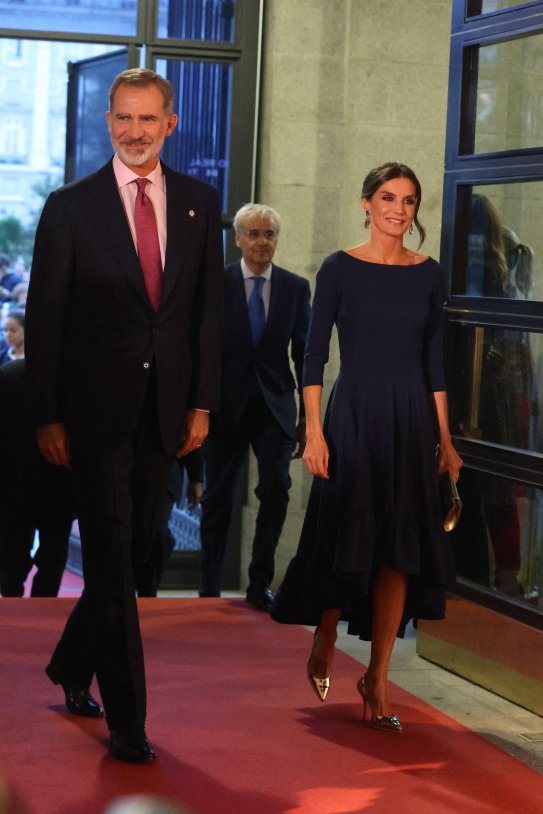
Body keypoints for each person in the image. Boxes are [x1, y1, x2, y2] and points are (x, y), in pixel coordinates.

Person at [25, 68, 223, 763]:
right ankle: (129, 721)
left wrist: (200, 404)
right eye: (122, 118)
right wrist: (47, 415)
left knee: (133, 552)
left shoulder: (200, 203)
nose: (133, 132)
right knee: (113, 564)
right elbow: (43, 320)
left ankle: (70, 666)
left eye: (147, 120)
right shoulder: (70, 207)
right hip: (90, 416)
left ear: (170, 124)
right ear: (107, 122)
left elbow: (204, 316)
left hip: (165, 414)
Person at [270, 162, 463, 733]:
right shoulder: (338, 268)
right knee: (348, 536)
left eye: (408, 200)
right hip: (352, 415)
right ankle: (326, 632)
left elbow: (434, 364)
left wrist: (446, 441)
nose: (398, 209)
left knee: (399, 547)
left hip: (412, 422)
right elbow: (312, 355)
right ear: (365, 202)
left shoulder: (428, 274)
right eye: (387, 197)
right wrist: (313, 431)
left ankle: (377, 676)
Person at [199, 203, 311, 610]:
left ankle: (259, 583)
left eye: (270, 235)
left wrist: (307, 417)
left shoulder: (296, 288)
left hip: (275, 407)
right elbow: (200, 349)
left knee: (277, 490)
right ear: (239, 238)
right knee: (217, 498)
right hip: (224, 407)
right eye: (255, 234)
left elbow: (305, 353)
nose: (263, 242)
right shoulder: (215, 282)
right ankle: (209, 586)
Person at [0, 359, 75, 597]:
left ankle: (11, 603)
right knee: (52, 553)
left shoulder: (9, 374)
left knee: (13, 551)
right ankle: (44, 605)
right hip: (59, 479)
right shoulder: (73, 379)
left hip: (15, 481)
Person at [136, 449, 204, 596]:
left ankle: (147, 594)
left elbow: (194, 431)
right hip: (125, 467)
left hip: (165, 468)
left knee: (157, 533)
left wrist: (196, 476)